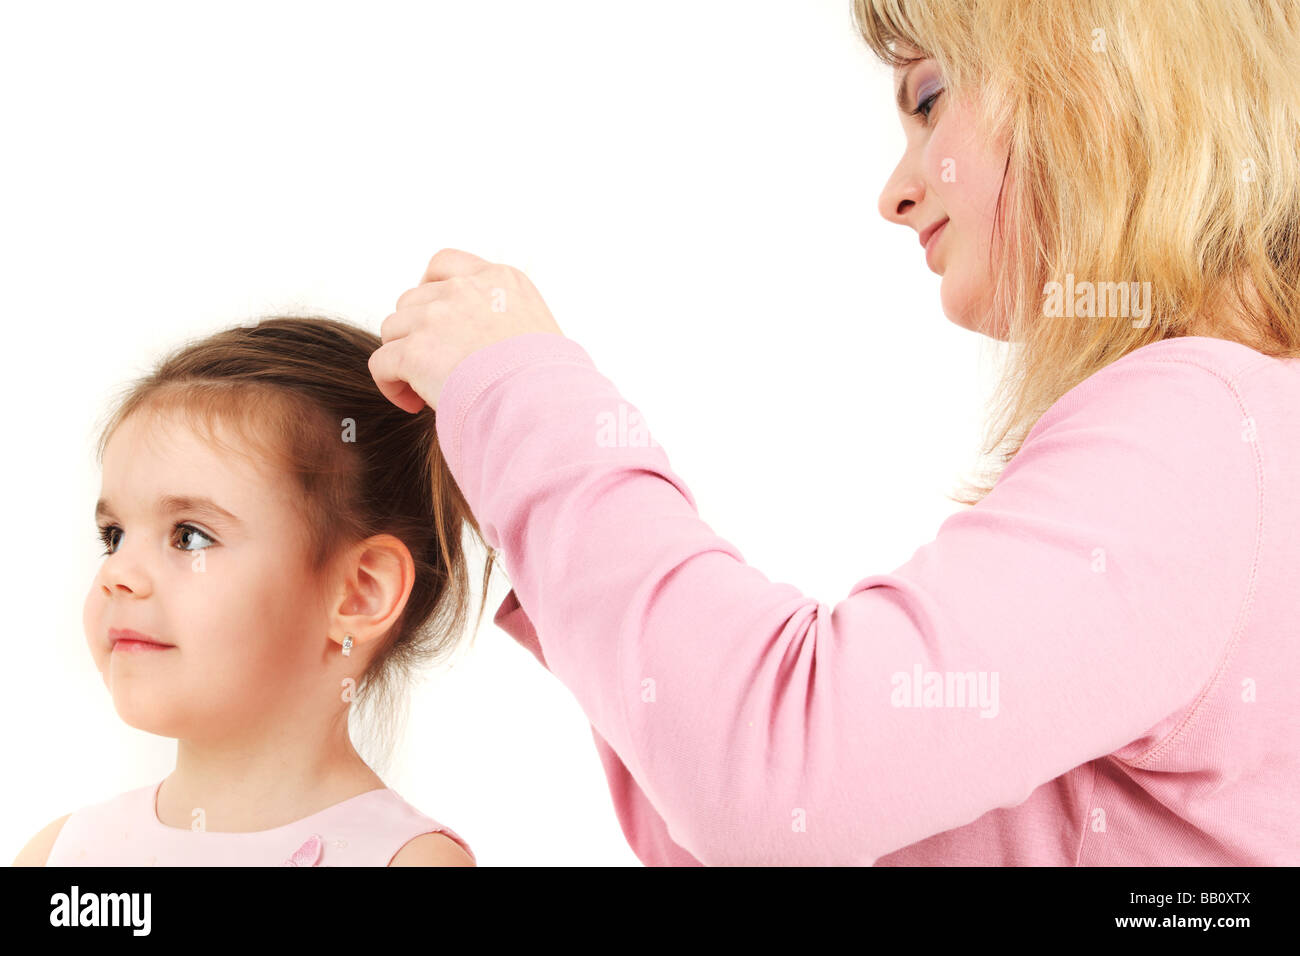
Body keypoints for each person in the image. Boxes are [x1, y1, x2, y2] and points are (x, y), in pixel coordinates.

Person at [369, 0, 1300, 864]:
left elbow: (777, 774)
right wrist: (521, 487)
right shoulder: (1246, 441)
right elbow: (782, 824)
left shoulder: (1207, 428)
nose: (896, 193)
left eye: (930, 99)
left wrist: (523, 395)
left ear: (1103, 80)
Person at [14, 317, 482, 866]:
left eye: (189, 536)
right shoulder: (62, 853)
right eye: (113, 536)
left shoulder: (403, 861)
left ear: (358, 593)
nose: (117, 574)